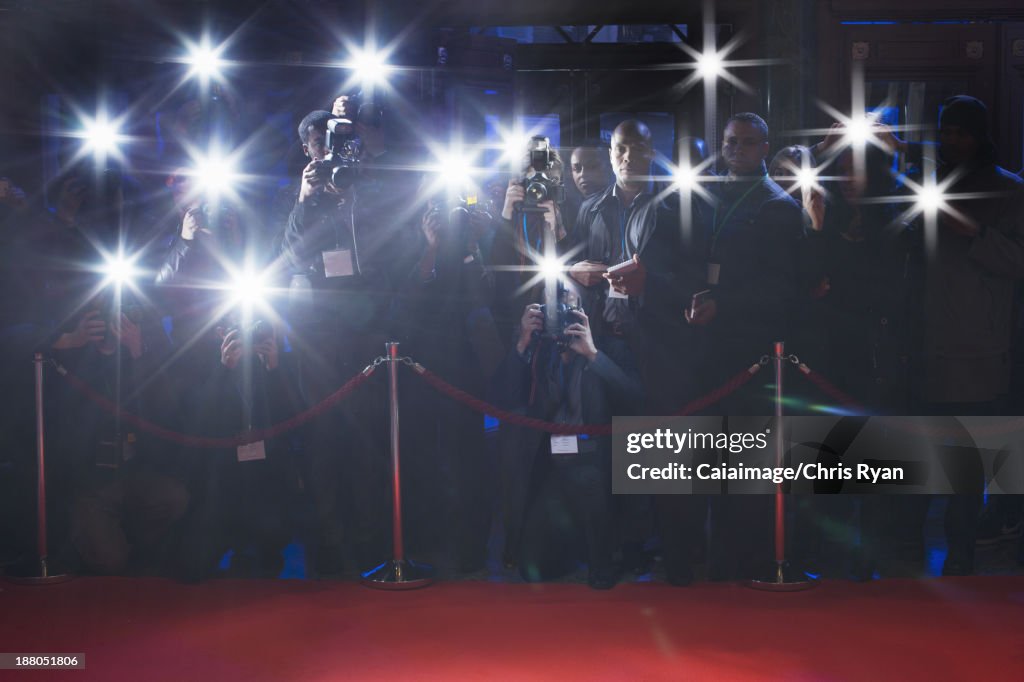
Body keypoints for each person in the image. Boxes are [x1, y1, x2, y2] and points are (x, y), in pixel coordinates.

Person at [491, 298, 643, 589]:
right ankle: (574, 549)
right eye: (560, 313)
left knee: (590, 483)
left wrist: (593, 354)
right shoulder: (542, 350)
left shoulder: (610, 348)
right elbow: (503, 395)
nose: (565, 321)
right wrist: (523, 342)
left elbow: (634, 400)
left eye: (574, 312)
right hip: (552, 462)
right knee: (533, 568)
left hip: (594, 460)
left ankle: (603, 558)